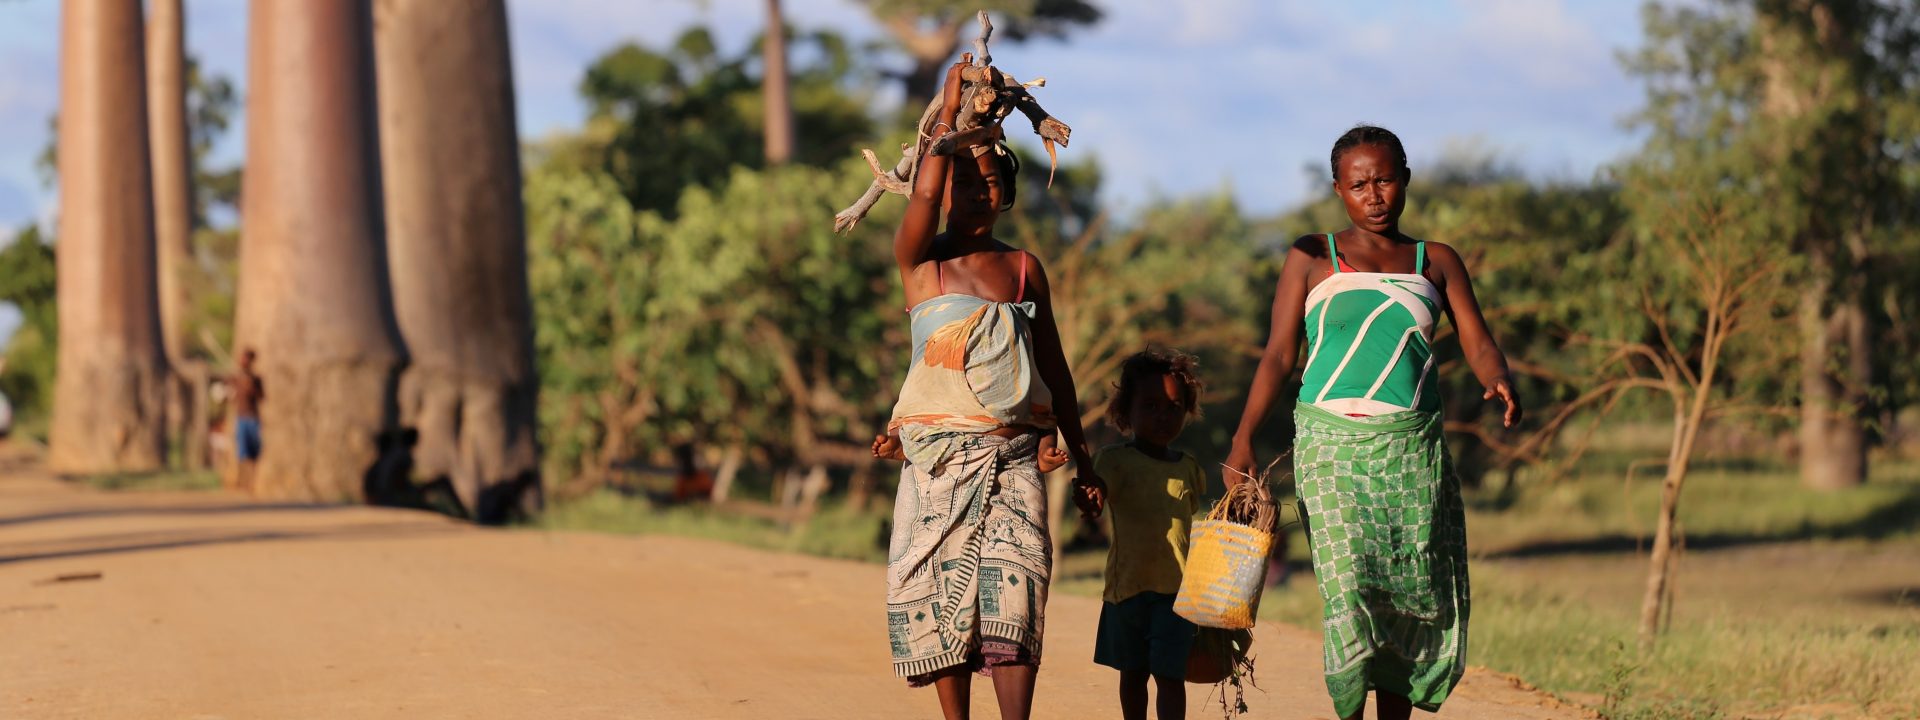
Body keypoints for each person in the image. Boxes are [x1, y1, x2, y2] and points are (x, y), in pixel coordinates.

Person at [1223, 125, 1522, 720]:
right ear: (1338, 190)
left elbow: (1477, 339)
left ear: (1405, 179)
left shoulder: (1435, 261)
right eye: (1359, 184)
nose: (1374, 195)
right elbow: (1281, 354)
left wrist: (1498, 376)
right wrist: (1243, 436)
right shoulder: (1311, 255)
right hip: (1329, 445)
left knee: (1406, 597)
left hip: (1412, 452)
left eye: (1384, 179)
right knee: (1350, 586)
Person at [882, 55, 1105, 720]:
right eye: (964, 184)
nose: (976, 195)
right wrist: (948, 111)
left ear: (1007, 194)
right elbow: (920, 196)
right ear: (944, 190)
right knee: (941, 598)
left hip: (1015, 459)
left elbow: (1054, 367)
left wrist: (1084, 456)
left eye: (989, 185)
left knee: (1019, 597)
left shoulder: (1022, 269)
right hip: (939, 463)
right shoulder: (924, 264)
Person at [1088, 349, 1207, 720]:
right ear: (1127, 412)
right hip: (1127, 590)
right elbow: (1097, 496)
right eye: (1150, 406)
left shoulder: (1189, 467)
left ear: (1187, 411)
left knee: (1171, 677)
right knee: (1133, 674)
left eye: (1174, 407)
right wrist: (1090, 497)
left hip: (1176, 593)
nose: (1163, 416)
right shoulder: (1113, 460)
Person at [231, 348, 265, 493]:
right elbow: (230, 398)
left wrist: (252, 388)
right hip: (241, 418)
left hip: (253, 419)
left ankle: (253, 483)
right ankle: (241, 482)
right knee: (242, 452)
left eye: (246, 359)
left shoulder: (256, 379)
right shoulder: (236, 378)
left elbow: (262, 397)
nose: (243, 361)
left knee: (254, 453)